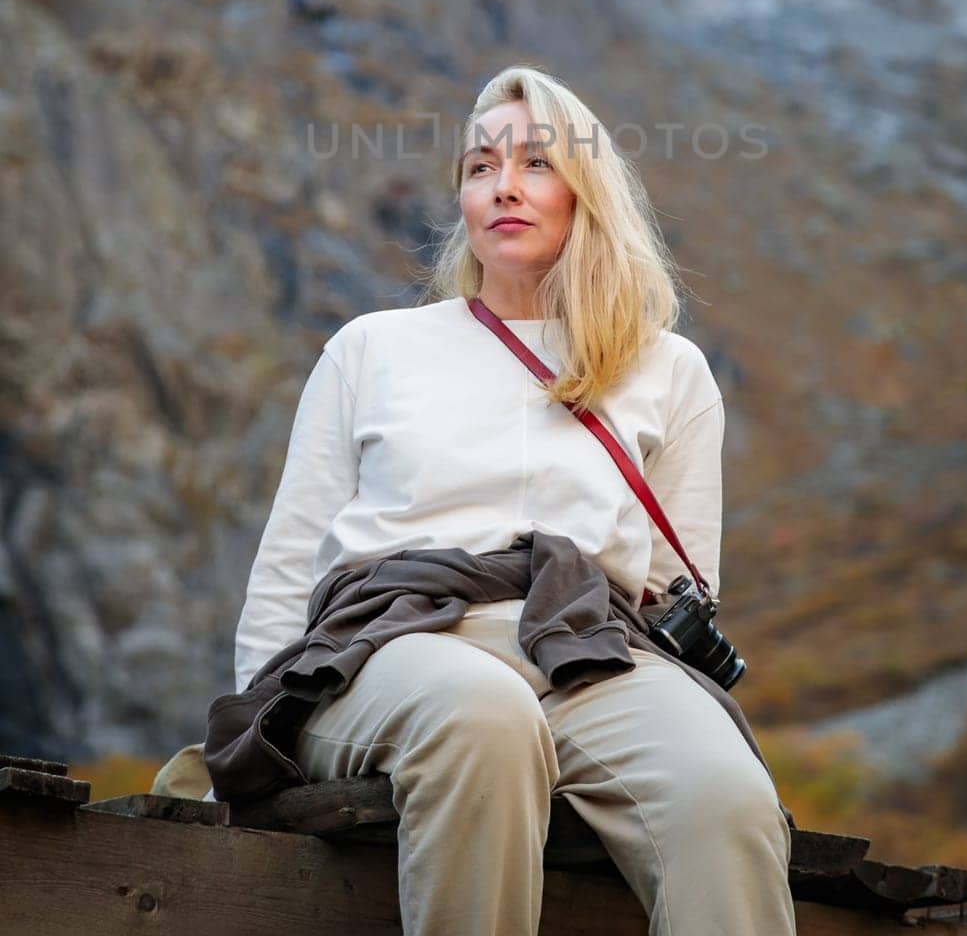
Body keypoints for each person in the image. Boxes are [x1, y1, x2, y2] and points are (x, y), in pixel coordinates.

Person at [231, 64, 796, 936]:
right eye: (479, 166)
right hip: (392, 647)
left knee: (727, 799)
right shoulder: (373, 349)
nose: (503, 188)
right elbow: (286, 568)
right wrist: (259, 727)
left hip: (589, 653)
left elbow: (680, 587)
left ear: (585, 191)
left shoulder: (667, 369)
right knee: (483, 717)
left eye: (535, 163)